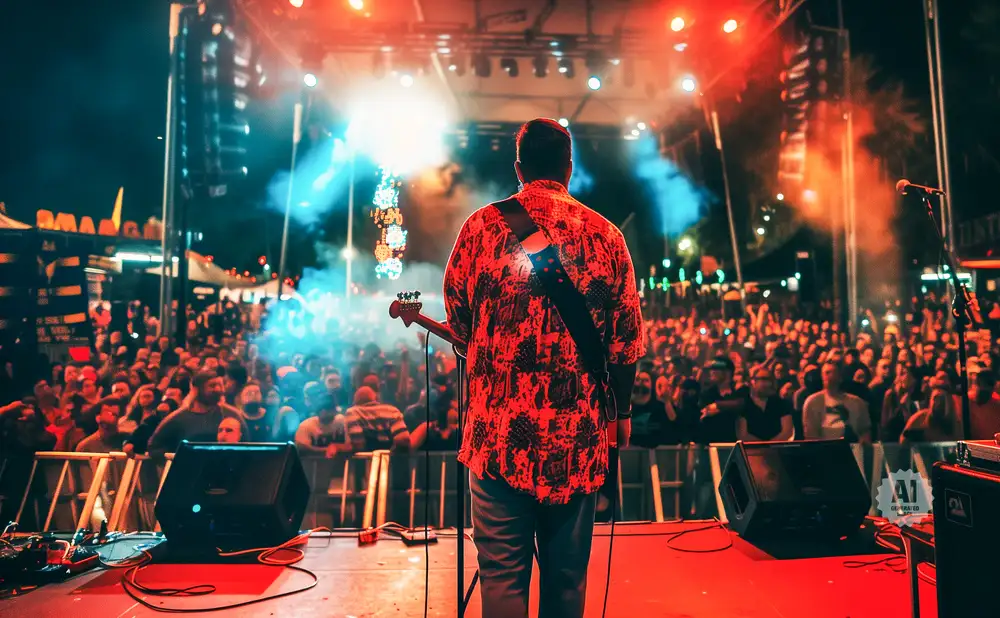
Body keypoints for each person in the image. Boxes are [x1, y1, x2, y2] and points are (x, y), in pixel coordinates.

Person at [443, 118, 644, 618]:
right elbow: (625, 346)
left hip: (497, 439)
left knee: (502, 584)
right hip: (577, 441)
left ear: (518, 168)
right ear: (569, 168)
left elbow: (461, 326)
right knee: (567, 584)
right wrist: (620, 417)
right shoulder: (608, 237)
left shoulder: (480, 228)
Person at [146, 371, 246, 457]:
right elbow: (154, 447)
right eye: (212, 386)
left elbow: (246, 444)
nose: (218, 390)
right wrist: (177, 460)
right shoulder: (178, 418)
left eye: (219, 385)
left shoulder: (232, 415)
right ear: (196, 389)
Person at [802, 361, 871, 442]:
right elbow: (810, 436)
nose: (828, 376)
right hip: (823, 450)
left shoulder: (857, 402)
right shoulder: (812, 402)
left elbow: (865, 432)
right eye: (825, 373)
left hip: (851, 449)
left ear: (840, 377)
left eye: (831, 372)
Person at [738, 365, 794, 441]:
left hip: (777, 450)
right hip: (750, 450)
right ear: (752, 381)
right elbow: (742, 435)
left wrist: (770, 446)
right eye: (763, 379)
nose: (768, 383)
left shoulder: (780, 403)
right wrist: (763, 447)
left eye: (769, 380)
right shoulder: (744, 404)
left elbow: (787, 432)